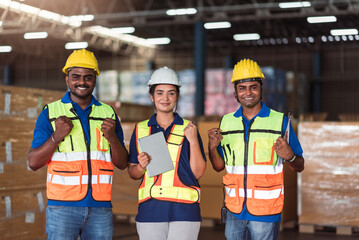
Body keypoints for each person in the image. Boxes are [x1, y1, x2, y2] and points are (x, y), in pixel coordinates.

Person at [27, 49, 129, 240]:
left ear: (95, 80)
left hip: (100, 208)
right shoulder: (50, 113)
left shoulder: (109, 113)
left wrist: (113, 138)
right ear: (67, 79)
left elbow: (122, 163)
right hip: (62, 208)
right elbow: (33, 162)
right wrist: (56, 137)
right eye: (76, 77)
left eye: (88, 77)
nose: (82, 82)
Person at [207, 59, 305, 240]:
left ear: (261, 89)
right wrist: (212, 148)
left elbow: (300, 165)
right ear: (235, 92)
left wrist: (290, 156)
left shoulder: (280, 122)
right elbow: (219, 166)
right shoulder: (226, 122)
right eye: (242, 88)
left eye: (253, 87)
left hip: (265, 213)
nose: (248, 93)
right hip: (234, 210)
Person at [127, 67, 207, 240]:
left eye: (171, 93)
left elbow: (198, 172)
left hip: (185, 211)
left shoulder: (189, 128)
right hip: (150, 210)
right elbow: (132, 172)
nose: (165, 98)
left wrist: (193, 140)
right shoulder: (141, 129)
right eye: (160, 93)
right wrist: (141, 167)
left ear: (177, 96)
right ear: (152, 96)